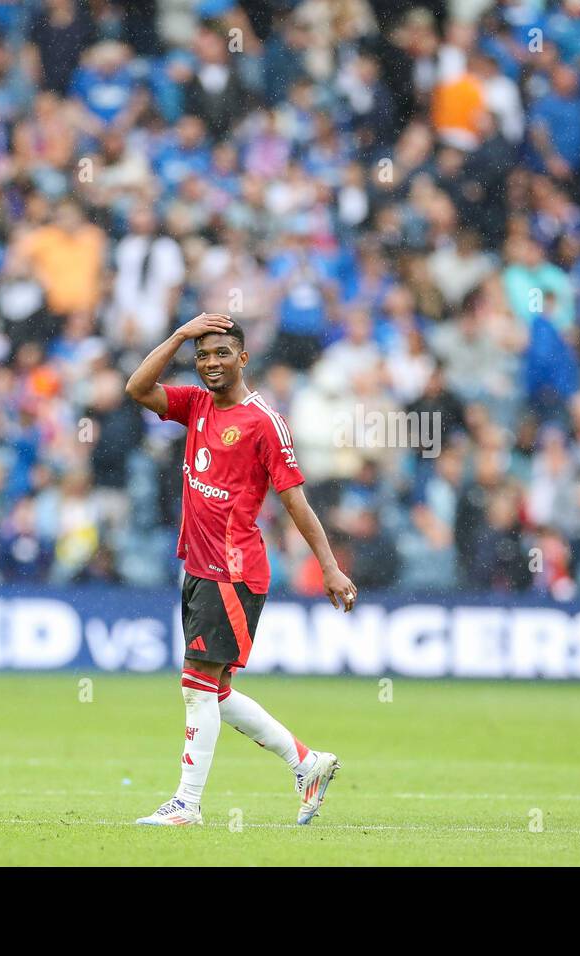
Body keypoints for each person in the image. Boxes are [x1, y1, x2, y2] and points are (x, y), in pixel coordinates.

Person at [124, 312, 358, 827]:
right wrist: (181, 334)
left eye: (221, 353)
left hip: (233, 570)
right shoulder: (197, 404)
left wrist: (329, 567)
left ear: (243, 359)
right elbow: (138, 388)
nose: (210, 363)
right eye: (202, 355)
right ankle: (307, 763)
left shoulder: (263, 422)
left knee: (196, 684)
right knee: (215, 691)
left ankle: (186, 803)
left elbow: (295, 501)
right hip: (200, 567)